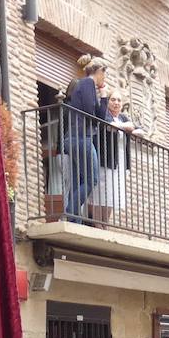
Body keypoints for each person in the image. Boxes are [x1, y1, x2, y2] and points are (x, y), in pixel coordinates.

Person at [62, 55, 110, 222]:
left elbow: (100, 116)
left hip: (76, 138)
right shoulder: (87, 83)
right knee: (92, 179)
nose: (104, 78)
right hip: (82, 138)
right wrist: (100, 98)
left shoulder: (85, 85)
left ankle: (74, 220)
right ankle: (69, 213)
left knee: (78, 181)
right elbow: (92, 113)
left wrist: (103, 97)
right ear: (98, 71)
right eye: (105, 74)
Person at [93, 92, 134, 223]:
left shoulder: (122, 117)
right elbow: (109, 126)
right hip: (106, 159)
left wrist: (125, 127)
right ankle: (97, 223)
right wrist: (125, 127)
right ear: (108, 101)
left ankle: (105, 223)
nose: (116, 103)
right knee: (101, 191)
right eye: (113, 99)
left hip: (120, 161)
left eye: (119, 100)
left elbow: (139, 130)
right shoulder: (104, 114)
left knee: (112, 193)